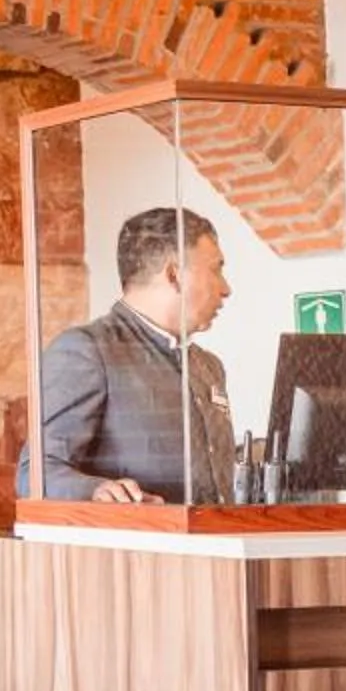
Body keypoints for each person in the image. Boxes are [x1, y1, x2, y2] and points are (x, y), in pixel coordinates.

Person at [35, 207, 237, 504]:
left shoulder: (208, 366)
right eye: (216, 269)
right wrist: (95, 491)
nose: (226, 288)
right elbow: (36, 473)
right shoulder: (87, 351)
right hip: (134, 550)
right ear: (174, 275)